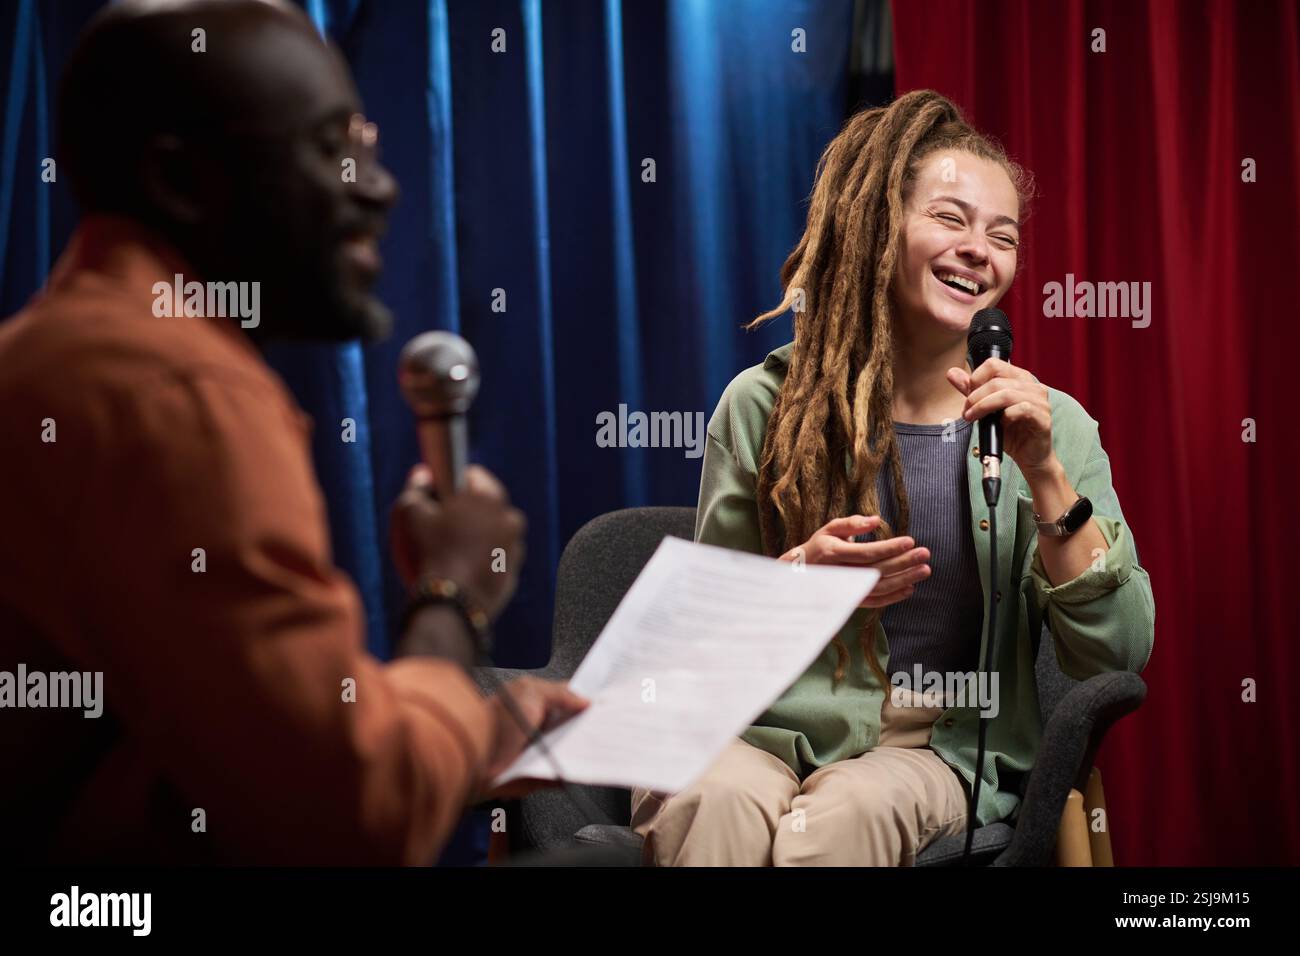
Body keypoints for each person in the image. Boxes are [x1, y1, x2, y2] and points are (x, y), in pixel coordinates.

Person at [0, 0, 585, 864]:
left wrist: (458, 737)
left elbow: (220, 758)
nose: (378, 184)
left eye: (369, 142)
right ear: (181, 182)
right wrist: (453, 596)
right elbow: (351, 818)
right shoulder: (180, 391)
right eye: (329, 147)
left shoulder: (69, 349)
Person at [631, 90, 1155, 866]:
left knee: (844, 814)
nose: (981, 249)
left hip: (931, 744)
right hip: (755, 728)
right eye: (950, 219)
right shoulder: (761, 406)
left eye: (1002, 235)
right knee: (714, 802)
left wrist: (1044, 474)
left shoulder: (1053, 427)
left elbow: (1115, 657)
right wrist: (800, 575)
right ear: (878, 228)